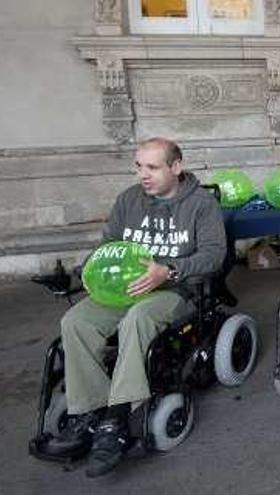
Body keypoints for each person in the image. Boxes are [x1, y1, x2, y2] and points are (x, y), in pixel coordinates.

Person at [48, 137, 226, 477]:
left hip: (175, 290)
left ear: (176, 167)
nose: (143, 174)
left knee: (138, 319)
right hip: (124, 289)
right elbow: (108, 246)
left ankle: (117, 418)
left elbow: (213, 255)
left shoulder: (201, 204)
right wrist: (87, 270)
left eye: (152, 167)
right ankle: (89, 410)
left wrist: (169, 270)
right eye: (139, 166)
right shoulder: (129, 200)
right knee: (75, 320)